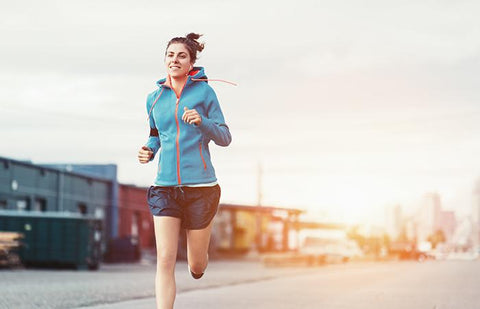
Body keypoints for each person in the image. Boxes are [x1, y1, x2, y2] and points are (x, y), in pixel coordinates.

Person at [137, 33, 232, 309]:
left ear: (191, 63)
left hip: (201, 189)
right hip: (164, 188)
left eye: (181, 56)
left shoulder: (205, 93)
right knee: (165, 259)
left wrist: (202, 122)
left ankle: (198, 266)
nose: (174, 60)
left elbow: (225, 137)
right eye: (170, 55)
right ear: (164, 59)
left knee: (196, 263)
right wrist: (148, 150)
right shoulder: (153, 98)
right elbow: (156, 135)